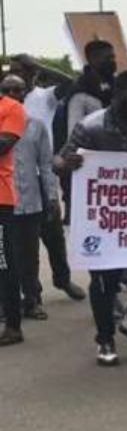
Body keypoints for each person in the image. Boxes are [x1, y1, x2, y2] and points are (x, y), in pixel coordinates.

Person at [53, 71, 127, 365]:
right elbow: (57, 161)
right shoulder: (90, 126)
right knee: (105, 279)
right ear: (118, 95)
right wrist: (68, 162)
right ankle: (105, 338)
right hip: (100, 214)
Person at [7, 54, 86, 301]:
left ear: (33, 74)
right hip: (13, 177)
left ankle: (63, 279)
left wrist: (39, 65)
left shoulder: (45, 97)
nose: (15, 75)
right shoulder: (6, 101)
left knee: (53, 235)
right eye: (12, 70)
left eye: (21, 70)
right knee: (22, 242)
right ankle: (31, 292)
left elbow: (71, 82)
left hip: (44, 174)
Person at [3, 76, 60, 323]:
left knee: (29, 255)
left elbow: (45, 165)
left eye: (18, 90)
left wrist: (52, 197)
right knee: (4, 257)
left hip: (30, 202)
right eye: (7, 90)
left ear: (25, 93)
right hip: (4, 204)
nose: (13, 94)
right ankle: (7, 304)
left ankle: (32, 300)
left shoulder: (36, 126)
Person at [0, 78, 27, 346]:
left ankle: (13, 325)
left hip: (1, 199)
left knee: (2, 262)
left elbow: (3, 144)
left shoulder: (11, 108)